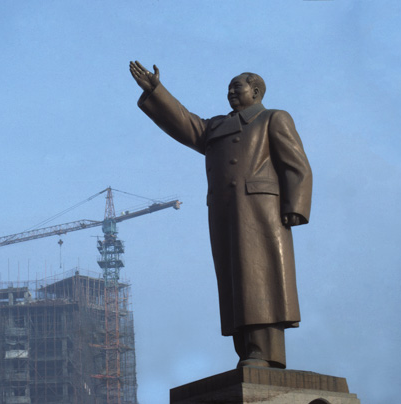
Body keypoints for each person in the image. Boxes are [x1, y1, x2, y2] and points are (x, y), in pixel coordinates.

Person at [129, 61, 312, 369]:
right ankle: (247, 350)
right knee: (234, 281)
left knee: (261, 279)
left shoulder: (272, 118)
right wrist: (156, 91)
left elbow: (297, 164)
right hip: (226, 211)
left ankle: (264, 352)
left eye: (236, 87)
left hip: (260, 210)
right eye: (228, 87)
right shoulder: (217, 126)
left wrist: (295, 205)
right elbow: (185, 122)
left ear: (255, 91)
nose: (230, 92)